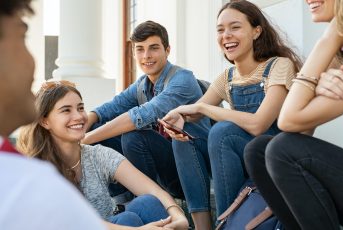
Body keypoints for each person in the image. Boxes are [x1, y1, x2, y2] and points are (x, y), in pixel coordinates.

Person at [161, 1, 302, 228]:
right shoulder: (227, 77)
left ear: (257, 31)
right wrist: (180, 119)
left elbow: (258, 124)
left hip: (271, 158)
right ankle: (203, 225)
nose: (226, 35)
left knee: (223, 132)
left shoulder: (278, 66)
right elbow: (193, 113)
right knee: (185, 134)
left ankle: (225, 224)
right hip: (236, 159)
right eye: (220, 30)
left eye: (235, 27)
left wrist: (202, 109)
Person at [244, 0, 343, 229]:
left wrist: (330, 36)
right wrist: (317, 86)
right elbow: (298, 132)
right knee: (259, 151)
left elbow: (288, 120)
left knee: (281, 150)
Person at [17, 80, 189, 230]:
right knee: (127, 220)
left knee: (147, 203)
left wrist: (177, 214)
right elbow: (74, 222)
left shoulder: (96, 155)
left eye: (80, 108)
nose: (78, 116)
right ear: (45, 121)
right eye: (66, 110)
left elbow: (152, 190)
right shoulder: (38, 168)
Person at [0, 1, 107, 229]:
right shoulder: (28, 187)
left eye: (80, 107)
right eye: (22, 37)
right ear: (45, 120)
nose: (33, 61)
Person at [82, 20, 210, 199]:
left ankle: (148, 202)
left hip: (189, 169)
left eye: (154, 48)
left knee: (134, 137)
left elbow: (139, 116)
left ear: (167, 50)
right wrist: (83, 130)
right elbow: (110, 108)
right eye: (140, 49)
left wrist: (85, 140)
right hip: (160, 165)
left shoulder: (182, 79)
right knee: (97, 130)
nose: (146, 55)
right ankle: (118, 199)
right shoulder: (143, 84)